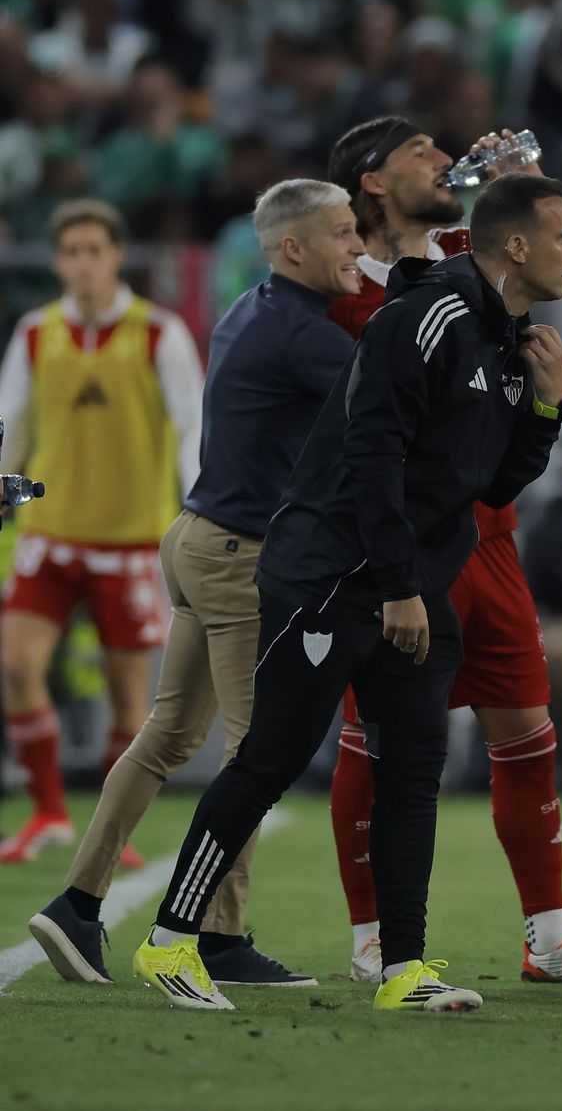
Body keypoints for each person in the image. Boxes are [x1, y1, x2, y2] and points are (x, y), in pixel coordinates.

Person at [129, 172, 562, 1013]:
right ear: (516, 246)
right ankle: (168, 942)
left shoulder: (511, 344)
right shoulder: (431, 316)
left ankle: (403, 968)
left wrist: (547, 411)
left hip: (410, 583)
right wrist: (400, 587)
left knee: (414, 773)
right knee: (269, 760)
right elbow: (372, 452)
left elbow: (489, 484)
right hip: (330, 574)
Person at [322, 116, 562, 987]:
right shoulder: (344, 276)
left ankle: (549, 937)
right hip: (401, 538)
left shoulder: (477, 246)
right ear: (374, 183)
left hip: (489, 538)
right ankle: (370, 940)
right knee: (375, 740)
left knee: (529, 734)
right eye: (420, 154)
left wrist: (538, 185)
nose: (444, 158)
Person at [25, 179, 366, 989]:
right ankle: (218, 935)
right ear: (294, 248)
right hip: (241, 558)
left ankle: (78, 903)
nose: (359, 247)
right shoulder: (304, 337)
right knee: (255, 753)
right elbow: (399, 394)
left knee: (168, 734)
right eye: (346, 233)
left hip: (195, 540)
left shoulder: (254, 309)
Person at [0, 198, 202, 865]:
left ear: (117, 255)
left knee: (126, 698)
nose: (82, 264)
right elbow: (12, 427)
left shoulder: (158, 333)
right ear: (58, 261)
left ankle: (113, 831)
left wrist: (196, 509)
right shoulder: (34, 332)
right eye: (71, 252)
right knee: (16, 666)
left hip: (130, 544)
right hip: (50, 534)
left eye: (94, 250)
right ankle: (50, 812)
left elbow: (191, 430)